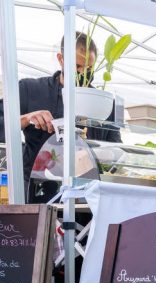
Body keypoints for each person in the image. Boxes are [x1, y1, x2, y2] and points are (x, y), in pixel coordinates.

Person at [0, 32, 121, 202]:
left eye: (89, 69)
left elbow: (116, 151)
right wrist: (26, 118)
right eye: (78, 66)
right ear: (61, 59)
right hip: (36, 194)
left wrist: (99, 153)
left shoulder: (102, 103)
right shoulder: (30, 89)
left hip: (85, 197)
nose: (83, 74)